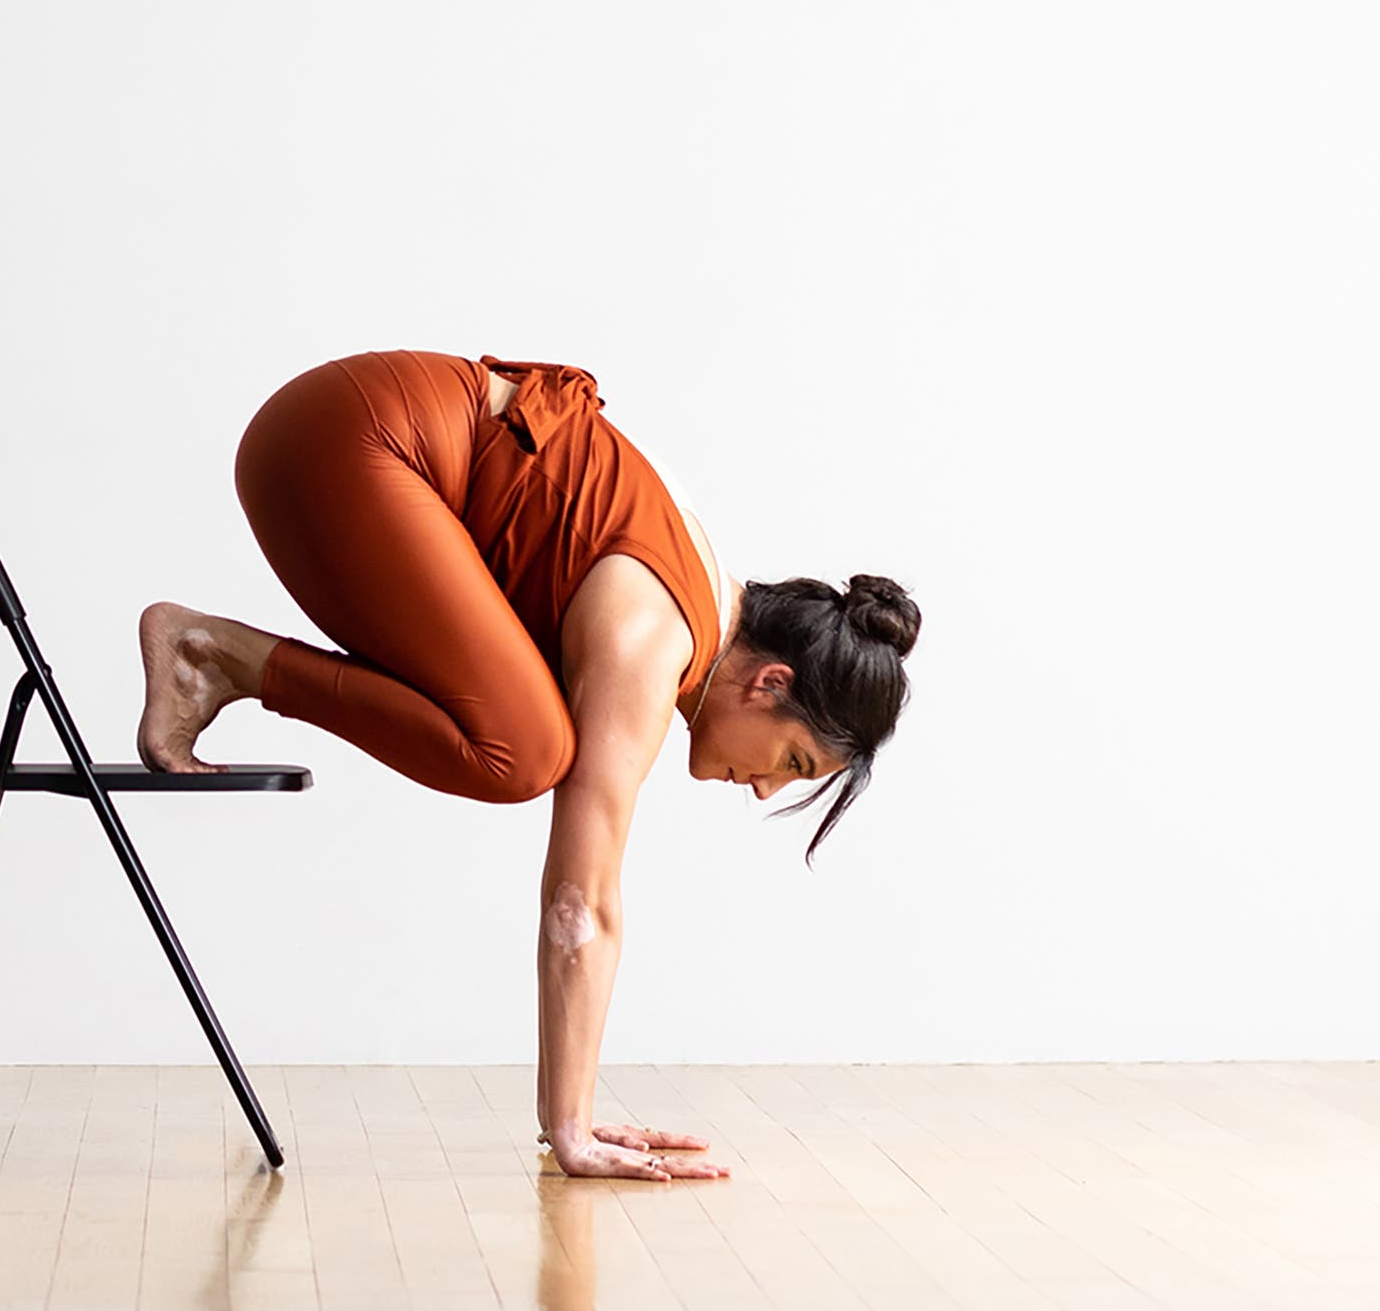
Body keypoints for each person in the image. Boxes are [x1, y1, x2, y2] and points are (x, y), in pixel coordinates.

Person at [136, 349, 920, 1182]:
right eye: (793, 762)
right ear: (771, 684)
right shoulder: (655, 640)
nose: (764, 788)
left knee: (528, 734)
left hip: (334, 431)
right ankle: (216, 657)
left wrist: (569, 1115)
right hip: (348, 441)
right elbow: (581, 904)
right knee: (524, 750)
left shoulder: (698, 594)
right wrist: (570, 1130)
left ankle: (221, 661)